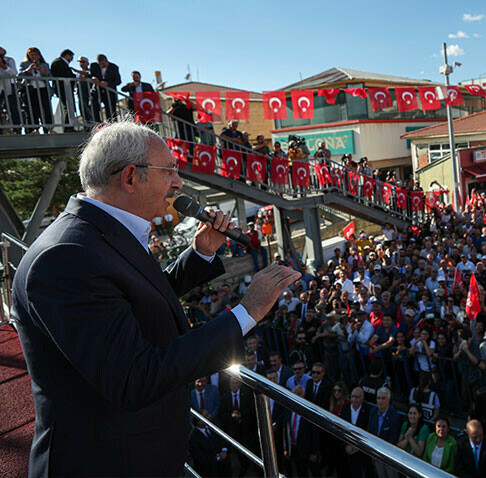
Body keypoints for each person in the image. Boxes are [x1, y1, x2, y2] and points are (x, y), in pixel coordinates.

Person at [11, 119, 301, 476]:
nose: (178, 183)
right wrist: (247, 311)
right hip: (105, 463)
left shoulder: (98, 232)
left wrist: (201, 255)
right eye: (170, 171)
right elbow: (134, 377)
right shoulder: (65, 257)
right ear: (131, 177)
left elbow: (131, 298)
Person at [368, 387, 403, 478]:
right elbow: (370, 431)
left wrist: (378, 454)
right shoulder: (373, 411)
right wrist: (373, 452)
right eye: (378, 398)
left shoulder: (395, 417)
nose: (380, 401)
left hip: (389, 457)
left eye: (383, 398)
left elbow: (392, 440)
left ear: (388, 399)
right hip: (375, 455)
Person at [339, 387, 371, 478]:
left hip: (360, 450)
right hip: (345, 448)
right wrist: (346, 445)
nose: (354, 399)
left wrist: (357, 447)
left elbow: (367, 431)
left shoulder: (367, 411)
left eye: (357, 397)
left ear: (362, 398)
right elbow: (341, 428)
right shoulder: (345, 408)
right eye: (352, 396)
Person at [18, 47, 52, 132]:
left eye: (36, 55)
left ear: (39, 56)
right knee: (31, 110)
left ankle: (48, 128)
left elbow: (50, 77)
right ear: (28, 55)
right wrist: (28, 69)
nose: (34, 57)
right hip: (30, 89)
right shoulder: (24, 64)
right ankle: (33, 129)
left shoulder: (44, 65)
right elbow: (20, 76)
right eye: (32, 55)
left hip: (43, 89)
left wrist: (43, 71)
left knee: (45, 109)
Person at [188, 412, 230, 477]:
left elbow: (224, 438)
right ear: (199, 422)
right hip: (208, 471)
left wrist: (224, 450)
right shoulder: (193, 438)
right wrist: (218, 457)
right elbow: (199, 458)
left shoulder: (214, 426)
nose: (210, 416)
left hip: (223, 468)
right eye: (206, 416)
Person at [49, 49, 76, 130]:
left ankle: (69, 126)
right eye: (71, 57)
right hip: (63, 88)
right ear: (67, 55)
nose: (71, 59)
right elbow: (64, 74)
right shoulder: (58, 62)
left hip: (65, 88)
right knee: (68, 107)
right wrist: (76, 76)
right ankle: (68, 127)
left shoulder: (60, 62)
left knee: (69, 107)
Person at [89, 53, 121, 121]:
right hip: (97, 91)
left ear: (106, 61)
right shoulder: (93, 66)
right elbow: (90, 75)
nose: (101, 65)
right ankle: (97, 123)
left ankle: (111, 124)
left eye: (103, 63)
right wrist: (93, 77)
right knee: (94, 107)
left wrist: (108, 84)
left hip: (109, 93)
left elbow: (118, 81)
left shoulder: (114, 67)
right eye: (100, 64)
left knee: (111, 110)